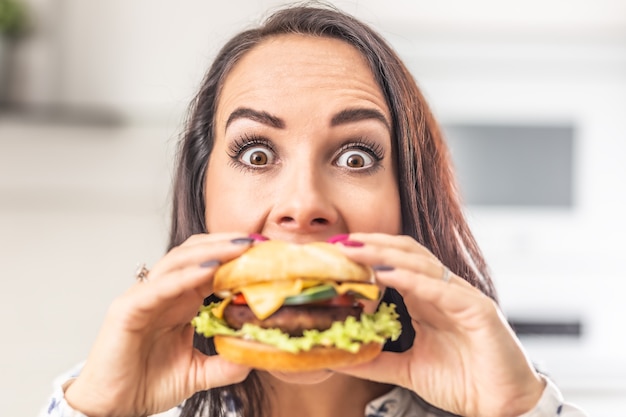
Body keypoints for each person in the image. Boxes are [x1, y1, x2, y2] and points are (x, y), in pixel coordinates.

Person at [40, 3, 588, 417]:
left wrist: (518, 409)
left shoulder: (507, 400)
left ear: (407, 198)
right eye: (256, 153)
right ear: (201, 190)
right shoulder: (104, 401)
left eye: (356, 156)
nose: (303, 206)